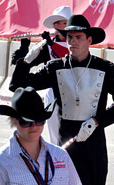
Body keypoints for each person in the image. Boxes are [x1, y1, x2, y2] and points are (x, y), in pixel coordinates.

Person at [9, 14, 114, 185]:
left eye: (78, 37)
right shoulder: (55, 67)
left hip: (94, 138)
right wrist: (26, 61)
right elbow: (18, 86)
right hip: (67, 140)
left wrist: (98, 121)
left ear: (89, 40)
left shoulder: (106, 68)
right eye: (69, 38)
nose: (72, 42)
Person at [11, 6, 72, 144]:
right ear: (56, 26)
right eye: (63, 23)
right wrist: (23, 50)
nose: (66, 27)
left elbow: (67, 56)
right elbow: (29, 61)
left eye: (68, 23)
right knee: (54, 129)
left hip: (71, 89)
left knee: (68, 132)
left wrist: (50, 43)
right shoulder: (48, 44)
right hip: (53, 89)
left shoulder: (76, 41)